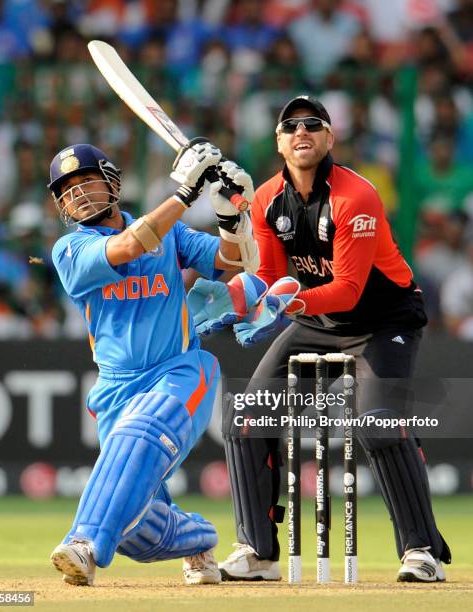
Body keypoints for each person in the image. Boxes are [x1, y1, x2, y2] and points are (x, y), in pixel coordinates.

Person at [188, 95, 451, 582]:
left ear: (330, 138)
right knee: (246, 418)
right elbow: (266, 274)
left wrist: (285, 302)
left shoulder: (357, 196)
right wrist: (239, 294)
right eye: (291, 126)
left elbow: (349, 291)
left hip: (384, 320)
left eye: (313, 124)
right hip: (318, 321)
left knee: (376, 423)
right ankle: (257, 552)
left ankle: (421, 551)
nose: (301, 132)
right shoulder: (266, 198)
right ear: (280, 142)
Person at [46, 139, 261, 586]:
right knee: (136, 531)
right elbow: (128, 246)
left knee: (140, 430)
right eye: (68, 189)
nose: (79, 194)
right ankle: (200, 538)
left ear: (112, 182)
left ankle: (84, 543)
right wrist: (185, 193)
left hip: (180, 370)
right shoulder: (69, 250)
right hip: (116, 390)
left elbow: (234, 261)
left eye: (87, 180)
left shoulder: (174, 235)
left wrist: (229, 218)